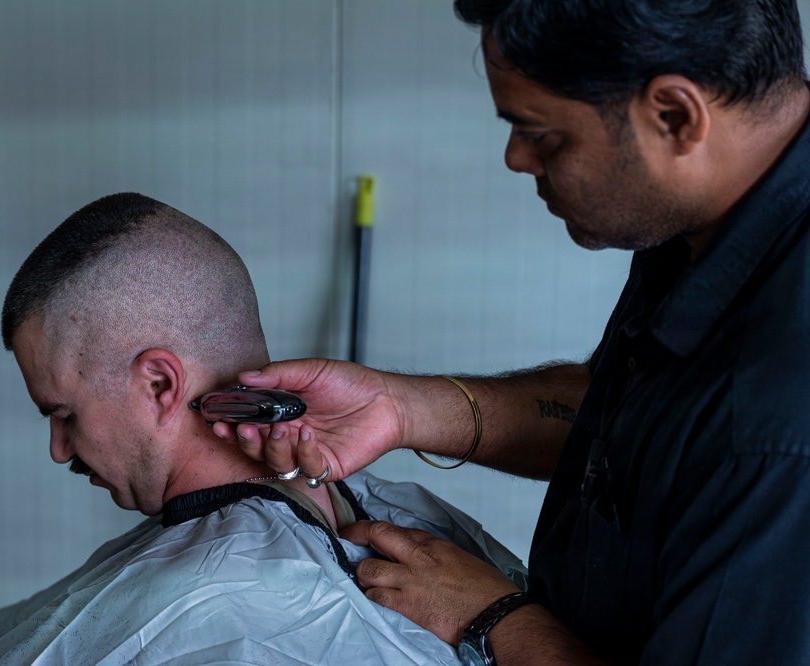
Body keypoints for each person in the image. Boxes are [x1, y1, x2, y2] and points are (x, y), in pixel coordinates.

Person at [215, 1, 810, 664]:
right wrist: (402, 406)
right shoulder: (703, 222)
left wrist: (496, 616)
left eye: (543, 136)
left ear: (674, 115)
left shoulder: (776, 418)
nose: (516, 159)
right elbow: (645, 427)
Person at [0, 192, 527, 665]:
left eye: (65, 414)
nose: (57, 449)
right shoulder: (399, 511)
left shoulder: (227, 614)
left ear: (160, 386)